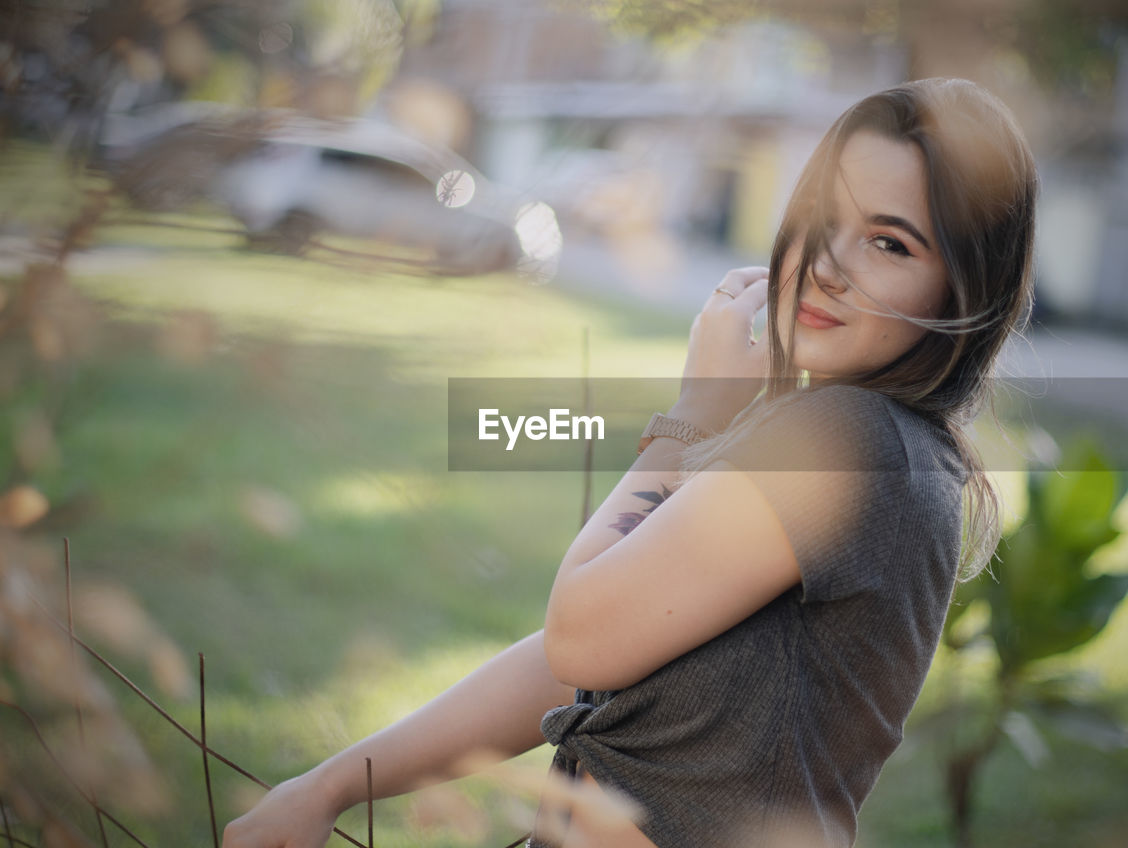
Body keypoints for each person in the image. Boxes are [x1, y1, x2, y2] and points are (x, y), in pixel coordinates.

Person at [222, 76, 1038, 848]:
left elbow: (582, 634)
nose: (826, 265)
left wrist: (692, 416)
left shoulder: (852, 442)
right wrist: (332, 784)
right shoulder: (882, 446)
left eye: (889, 243)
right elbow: (574, 658)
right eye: (824, 219)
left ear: (963, 294)